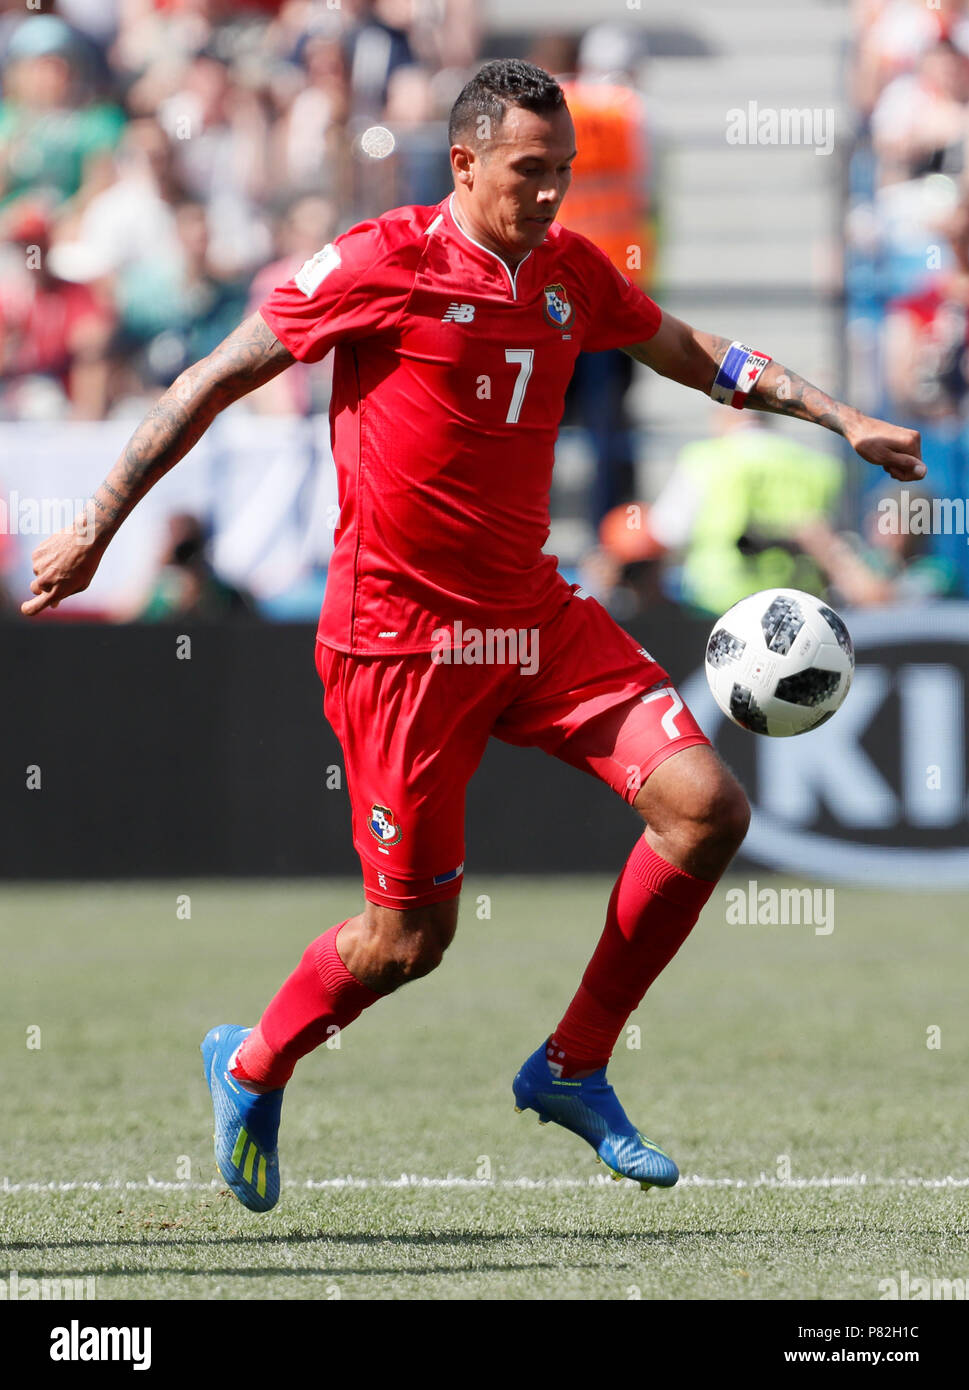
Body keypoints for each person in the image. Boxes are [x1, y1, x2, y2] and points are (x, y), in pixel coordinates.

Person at [22, 60, 925, 1212]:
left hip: (534, 618)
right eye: (528, 173)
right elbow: (210, 378)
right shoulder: (376, 262)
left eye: (564, 173)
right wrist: (98, 525)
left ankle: (573, 1062)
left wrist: (840, 415)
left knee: (706, 807)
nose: (551, 196)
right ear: (464, 161)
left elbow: (696, 355)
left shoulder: (569, 274)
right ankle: (250, 1063)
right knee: (408, 941)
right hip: (397, 646)